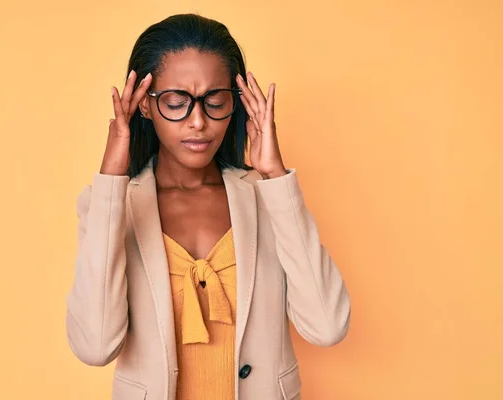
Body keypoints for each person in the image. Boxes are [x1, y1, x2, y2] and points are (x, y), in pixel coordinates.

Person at [66, 13, 351, 400]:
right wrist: (112, 180)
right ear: (145, 107)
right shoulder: (113, 207)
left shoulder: (267, 199)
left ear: (237, 104)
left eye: (215, 101)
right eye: (176, 102)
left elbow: (327, 326)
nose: (198, 121)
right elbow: (95, 346)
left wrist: (276, 177)